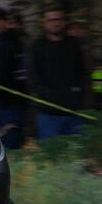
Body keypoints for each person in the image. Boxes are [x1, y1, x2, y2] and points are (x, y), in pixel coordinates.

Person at [28, 8, 88, 139]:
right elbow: (32, 76)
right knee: (51, 155)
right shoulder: (37, 46)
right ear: (45, 23)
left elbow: (83, 74)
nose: (56, 23)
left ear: (65, 22)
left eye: (59, 19)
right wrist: (45, 96)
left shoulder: (74, 45)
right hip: (48, 114)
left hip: (74, 112)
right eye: (51, 20)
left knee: (79, 155)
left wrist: (79, 97)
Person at [0, 6, 26, 149]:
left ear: (5, 23)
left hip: (6, 107)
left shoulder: (4, 45)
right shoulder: (13, 42)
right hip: (13, 105)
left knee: (2, 151)